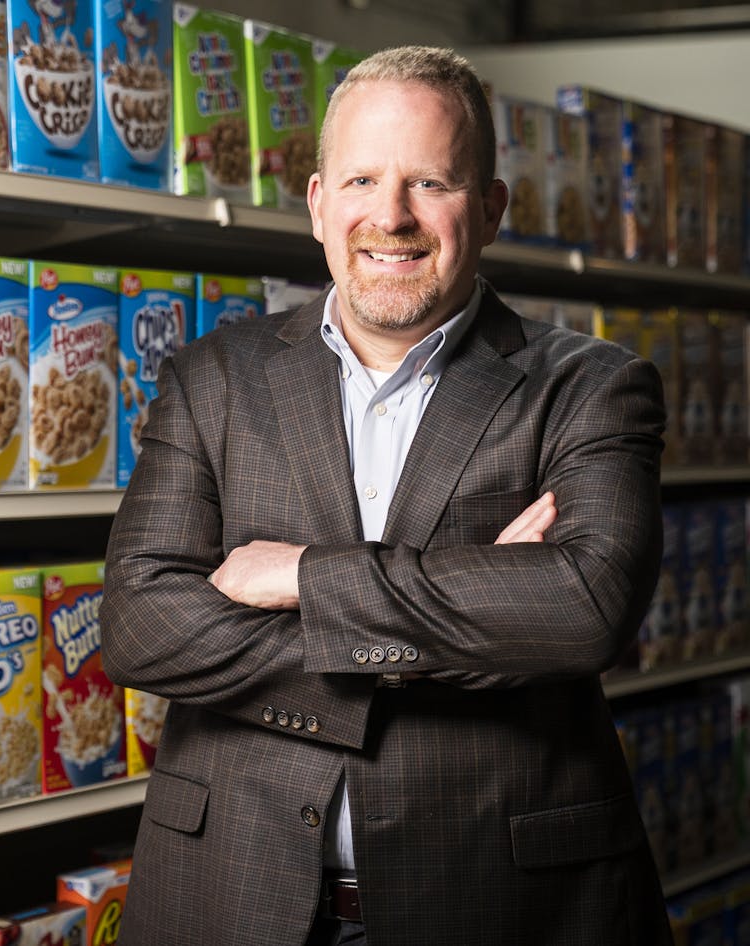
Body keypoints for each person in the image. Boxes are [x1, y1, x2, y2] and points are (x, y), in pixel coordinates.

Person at [101, 46, 671, 946]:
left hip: (503, 903)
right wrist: (473, 604)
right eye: (363, 178)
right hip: (228, 893)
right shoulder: (212, 377)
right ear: (321, 203)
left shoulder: (593, 386)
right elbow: (139, 625)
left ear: (488, 208)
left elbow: (584, 608)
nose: (391, 216)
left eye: (430, 182)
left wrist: (304, 579)